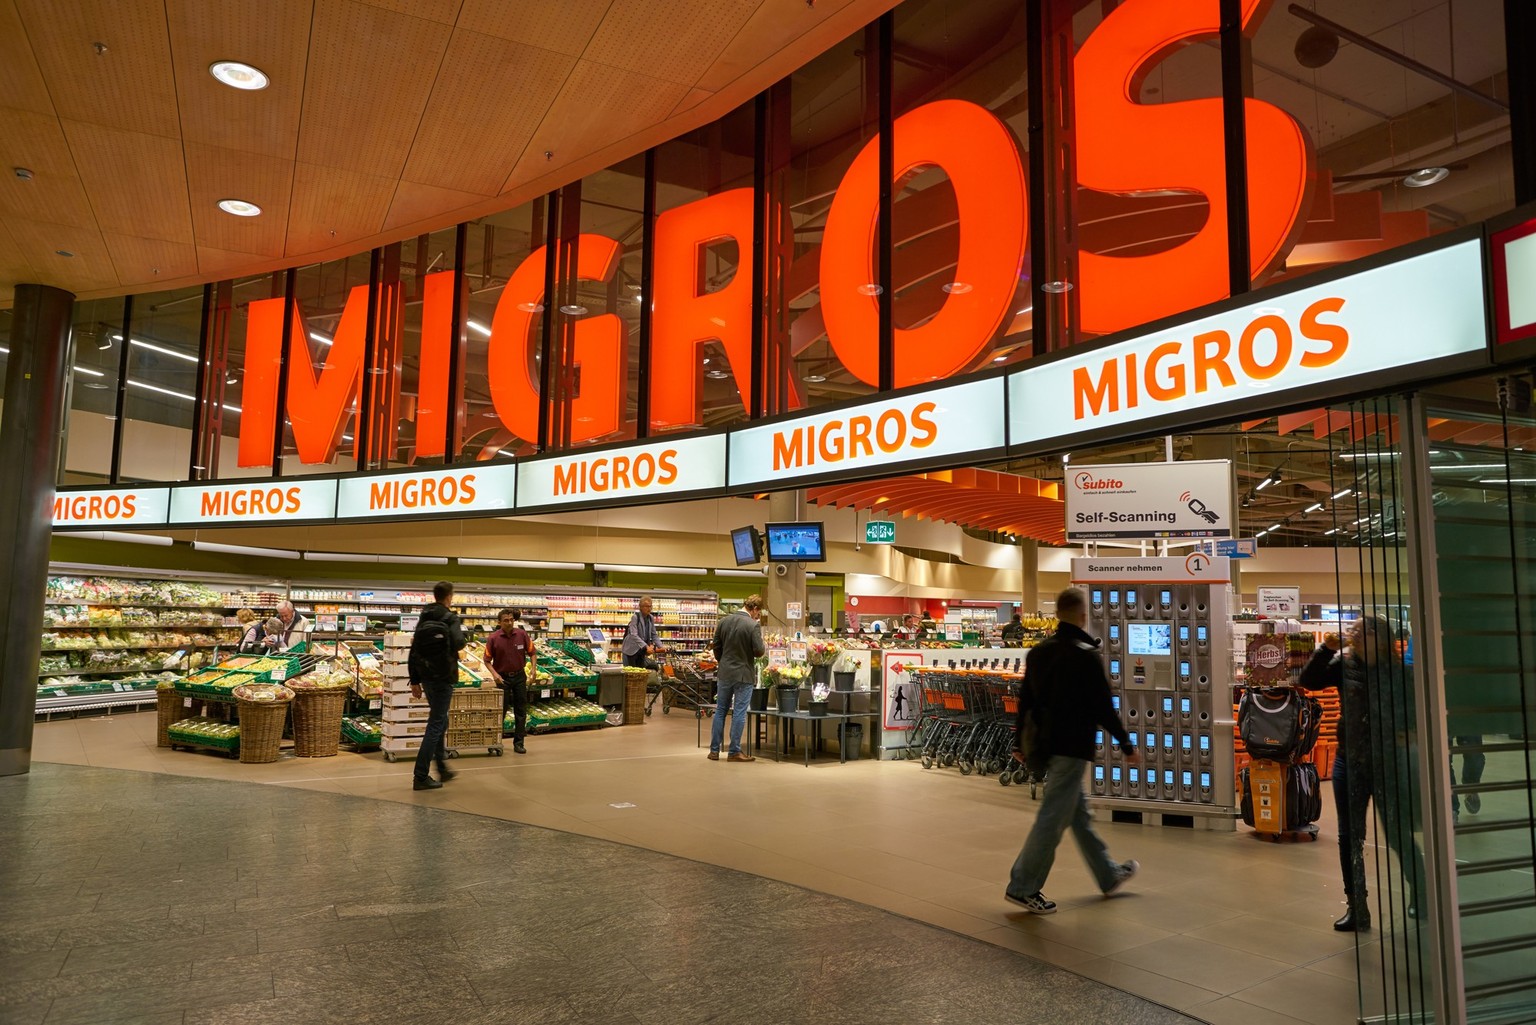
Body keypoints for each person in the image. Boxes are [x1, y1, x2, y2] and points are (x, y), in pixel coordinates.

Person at [1005, 587, 1139, 914]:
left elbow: (1026, 701)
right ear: (1082, 616)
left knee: (1078, 816)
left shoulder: (1039, 653)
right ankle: (1023, 887)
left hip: (1044, 744)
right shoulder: (1085, 655)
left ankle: (1107, 875)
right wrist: (1125, 743)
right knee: (1052, 819)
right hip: (1072, 747)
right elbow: (1102, 707)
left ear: (1056, 616)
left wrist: (1019, 741)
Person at [1300, 617, 1426, 932]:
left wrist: (1407, 734)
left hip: (1386, 762)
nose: (1352, 635)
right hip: (1348, 760)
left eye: (1359, 631)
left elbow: (1415, 714)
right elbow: (1309, 681)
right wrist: (1325, 650)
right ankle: (1357, 907)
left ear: (1378, 639)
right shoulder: (1344, 666)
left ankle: (1421, 892)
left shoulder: (1400, 673)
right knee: (1349, 836)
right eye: (1352, 631)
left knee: (1396, 832)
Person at [408, 581, 467, 791]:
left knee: (441, 721)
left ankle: (442, 767)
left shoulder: (424, 617)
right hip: (444, 676)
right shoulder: (450, 618)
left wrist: (414, 679)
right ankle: (420, 775)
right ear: (449, 596)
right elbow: (459, 643)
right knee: (436, 724)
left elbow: (414, 649)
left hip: (426, 676)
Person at [708, 593, 765, 762]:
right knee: (739, 712)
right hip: (743, 674)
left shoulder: (724, 621)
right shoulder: (752, 625)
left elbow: (716, 646)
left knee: (720, 710)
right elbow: (759, 651)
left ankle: (714, 751)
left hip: (725, 673)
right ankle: (734, 751)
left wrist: (723, 662)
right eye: (758, 612)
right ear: (754, 608)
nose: (758, 616)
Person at [485, 607, 530, 755]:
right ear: (499, 622)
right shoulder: (493, 638)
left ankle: (519, 743)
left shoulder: (522, 634)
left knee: (521, 711)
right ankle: (496, 743)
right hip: (502, 678)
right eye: (506, 620)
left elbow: (533, 652)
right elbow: (487, 660)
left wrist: (533, 670)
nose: (509, 623)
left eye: (511, 620)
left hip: (519, 676)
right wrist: (495, 674)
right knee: (501, 711)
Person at [622, 597, 660, 669]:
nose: (649, 608)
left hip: (641, 651)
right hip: (631, 651)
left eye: (650, 606)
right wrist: (646, 646)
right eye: (646, 606)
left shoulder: (650, 618)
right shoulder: (635, 617)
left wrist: (661, 646)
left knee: (641, 671)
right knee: (632, 672)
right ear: (640, 607)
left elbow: (654, 634)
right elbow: (634, 635)